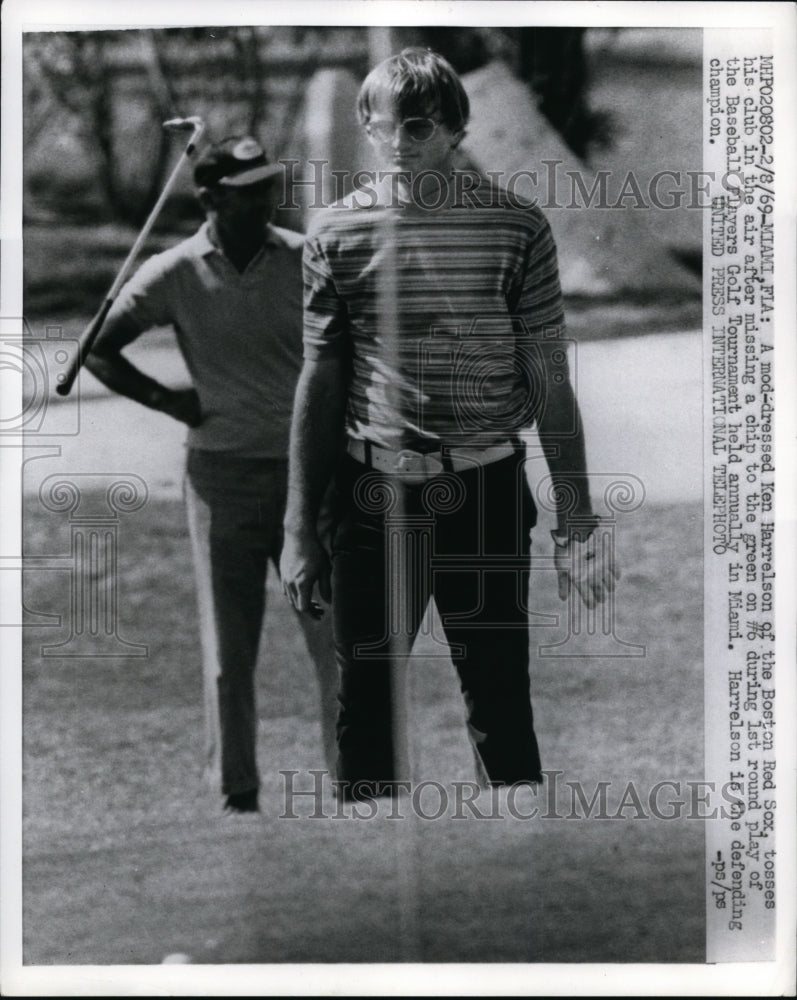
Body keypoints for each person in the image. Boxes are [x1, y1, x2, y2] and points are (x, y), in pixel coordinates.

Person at [280, 48, 620, 802]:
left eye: (418, 125)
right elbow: (322, 378)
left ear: (455, 127)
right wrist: (298, 528)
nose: (397, 142)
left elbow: (547, 380)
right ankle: (367, 891)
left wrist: (578, 521)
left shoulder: (514, 226)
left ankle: (509, 883)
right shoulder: (334, 232)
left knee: (499, 704)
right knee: (363, 705)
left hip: (485, 492)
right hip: (370, 495)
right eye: (381, 125)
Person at [86, 135, 339, 814]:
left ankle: (357, 781)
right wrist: (169, 400)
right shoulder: (174, 272)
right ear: (211, 198)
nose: (264, 198)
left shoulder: (307, 258)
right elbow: (99, 349)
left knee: (334, 638)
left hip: (307, 478)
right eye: (247, 189)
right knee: (229, 650)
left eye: (268, 186)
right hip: (221, 479)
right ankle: (236, 790)